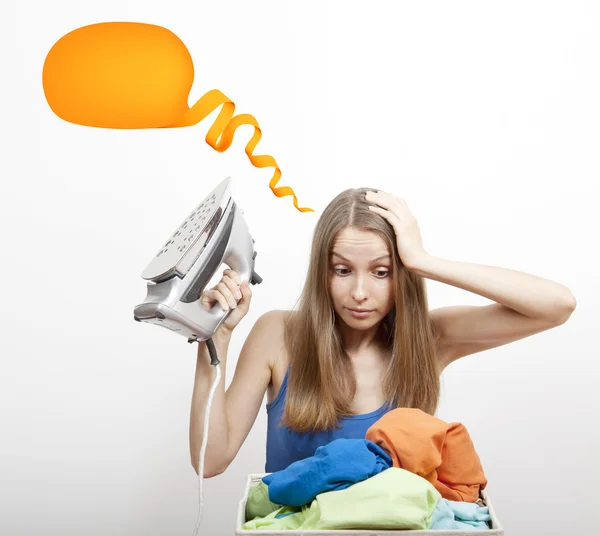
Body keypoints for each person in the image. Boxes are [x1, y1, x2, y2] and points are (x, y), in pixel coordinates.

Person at [189, 187, 577, 477]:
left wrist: (423, 261)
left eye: (381, 271)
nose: (360, 293)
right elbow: (211, 460)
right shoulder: (277, 333)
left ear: (402, 274)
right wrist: (213, 338)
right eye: (342, 270)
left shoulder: (431, 338)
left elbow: (557, 305)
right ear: (322, 271)